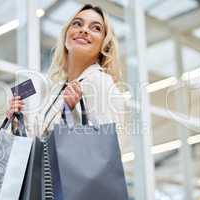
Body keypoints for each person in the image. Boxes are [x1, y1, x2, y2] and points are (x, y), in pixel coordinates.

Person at [7, 4, 126, 141]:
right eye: (77, 24)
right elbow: (41, 144)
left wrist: (70, 114)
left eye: (96, 28)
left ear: (103, 45)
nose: (84, 30)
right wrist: (19, 122)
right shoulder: (57, 90)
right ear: (65, 37)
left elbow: (110, 145)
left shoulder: (100, 81)